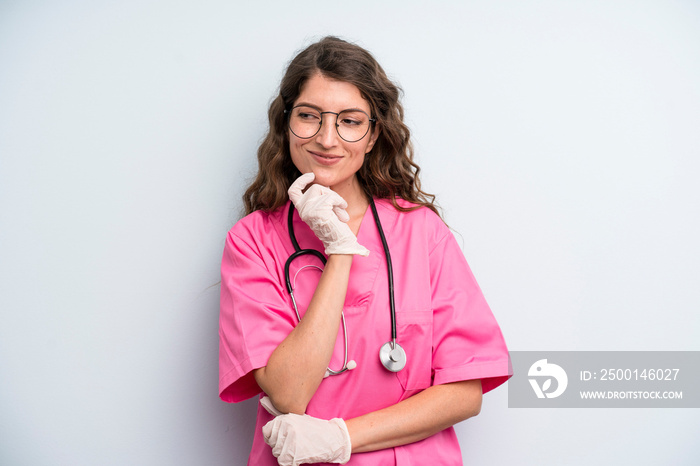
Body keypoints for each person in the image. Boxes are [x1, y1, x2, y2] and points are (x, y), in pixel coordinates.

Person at [219, 36, 511, 465]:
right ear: (286, 124)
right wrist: (339, 249)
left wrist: (340, 439)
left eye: (350, 121)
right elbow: (288, 393)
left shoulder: (420, 230)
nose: (326, 138)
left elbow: (464, 393)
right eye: (308, 116)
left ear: (373, 135)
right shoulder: (252, 241)